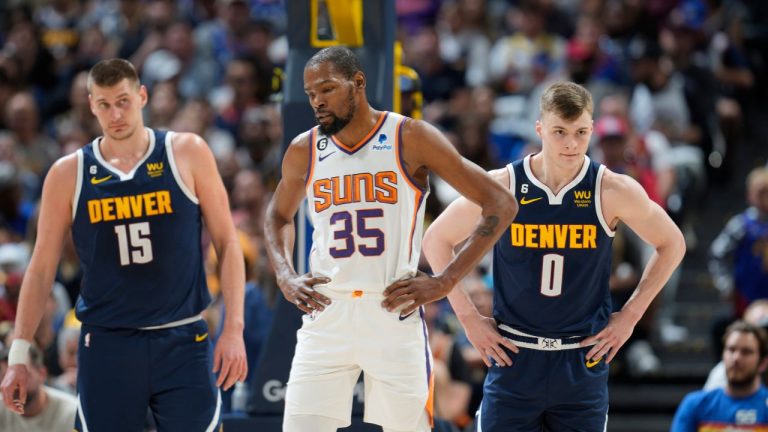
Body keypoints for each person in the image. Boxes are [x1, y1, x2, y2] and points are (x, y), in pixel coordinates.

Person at [264, 46, 517, 432]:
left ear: (358, 83)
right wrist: (284, 273)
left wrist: (445, 281)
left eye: (327, 89)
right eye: (311, 93)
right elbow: (278, 215)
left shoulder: (408, 136)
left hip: (391, 308)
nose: (317, 101)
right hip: (327, 312)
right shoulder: (304, 149)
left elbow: (500, 203)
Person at [421, 81, 686, 430]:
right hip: (515, 356)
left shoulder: (611, 189)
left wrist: (631, 315)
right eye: (560, 131)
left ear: (592, 129)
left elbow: (673, 244)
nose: (571, 143)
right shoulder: (504, 185)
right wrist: (469, 319)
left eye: (580, 132)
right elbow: (436, 239)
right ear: (540, 129)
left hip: (581, 361)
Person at [0, 58, 248, 431]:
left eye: (123, 101)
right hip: (107, 343)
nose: (115, 114)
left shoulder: (187, 152)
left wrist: (234, 330)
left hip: (182, 337)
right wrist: (19, 352)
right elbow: (40, 267)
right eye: (104, 104)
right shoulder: (68, 173)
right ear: (91, 105)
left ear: (142, 96)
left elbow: (227, 242)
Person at [671, 321, 768, 431]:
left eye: (746, 352)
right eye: (731, 350)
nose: (736, 358)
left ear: (763, 363)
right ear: (723, 355)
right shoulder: (695, 404)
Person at [0, 343, 78, 432]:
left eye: (22, 376)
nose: (14, 385)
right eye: (5, 378)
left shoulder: (71, 413)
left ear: (42, 374)